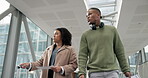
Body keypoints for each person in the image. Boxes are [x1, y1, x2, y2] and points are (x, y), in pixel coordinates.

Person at [78, 7, 131, 78]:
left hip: (112, 71)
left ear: (98, 15)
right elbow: (82, 55)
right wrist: (82, 72)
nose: (88, 17)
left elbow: (119, 50)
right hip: (94, 72)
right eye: (87, 16)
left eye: (90, 14)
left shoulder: (112, 30)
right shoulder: (85, 35)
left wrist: (125, 69)